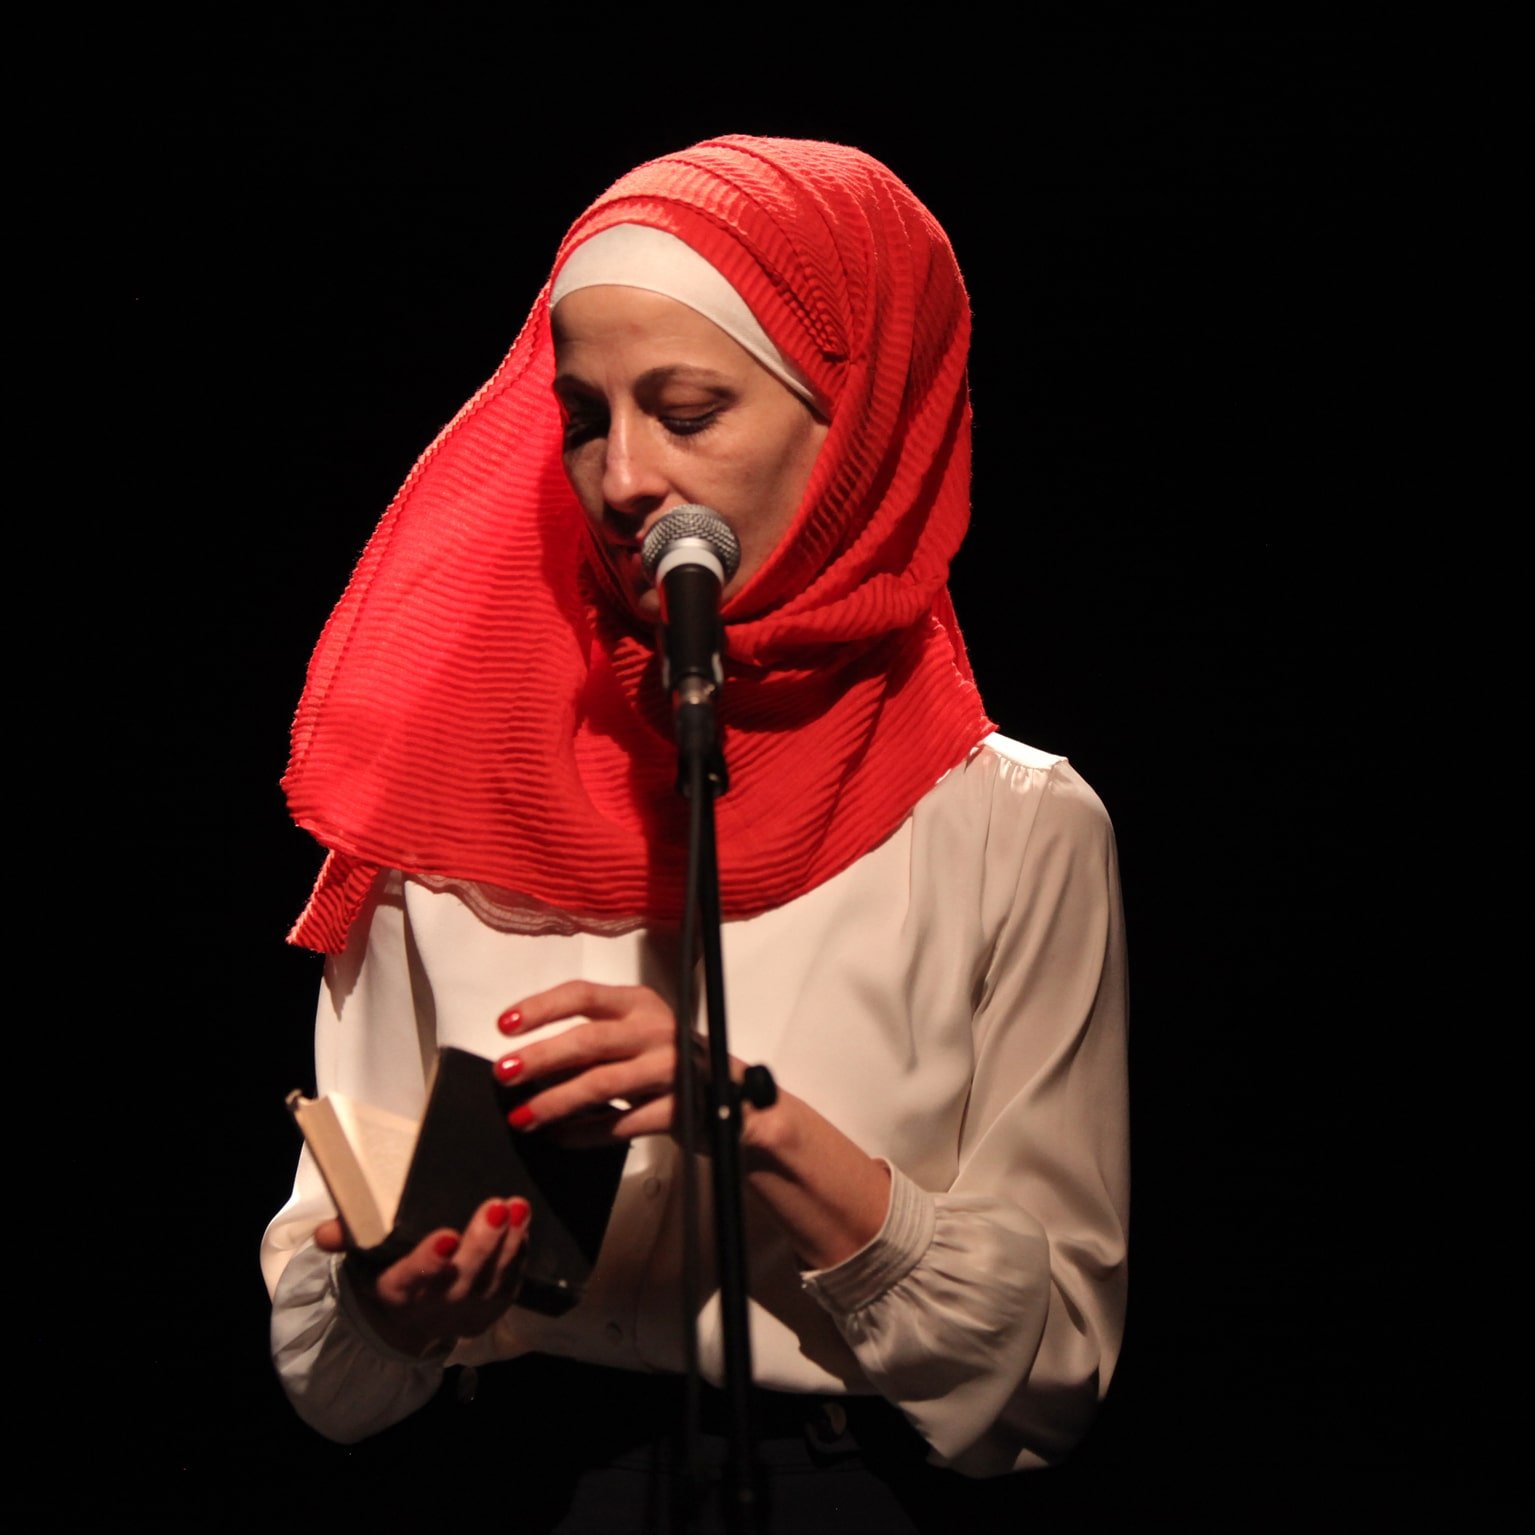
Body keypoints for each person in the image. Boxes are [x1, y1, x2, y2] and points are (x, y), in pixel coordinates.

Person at [262, 135, 1129, 1532]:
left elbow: (1052, 1371)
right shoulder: (443, 785)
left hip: (837, 1490)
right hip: (504, 1487)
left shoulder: (1012, 827)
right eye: (583, 415)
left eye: (687, 410)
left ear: (855, 429)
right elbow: (324, 1366)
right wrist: (390, 1303)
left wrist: (757, 1124)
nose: (622, 478)